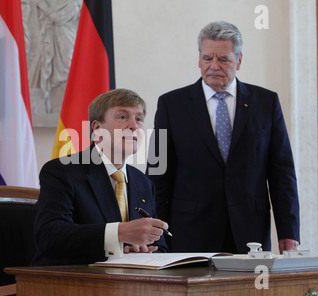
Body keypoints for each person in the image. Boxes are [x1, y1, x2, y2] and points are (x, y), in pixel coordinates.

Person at [146, 21, 300, 254]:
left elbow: (282, 172)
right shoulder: (171, 104)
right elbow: (158, 175)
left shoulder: (266, 103)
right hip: (189, 233)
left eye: (224, 59)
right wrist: (156, 235)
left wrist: (289, 232)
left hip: (250, 233)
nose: (214, 66)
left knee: (250, 293)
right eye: (207, 58)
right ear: (199, 60)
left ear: (238, 60)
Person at [32, 88, 168, 266]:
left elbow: (160, 246)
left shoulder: (143, 182)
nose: (134, 126)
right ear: (97, 128)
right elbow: (50, 236)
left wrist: (140, 250)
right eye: (123, 117)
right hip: (71, 282)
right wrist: (118, 234)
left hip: (130, 282)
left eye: (139, 119)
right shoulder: (62, 171)